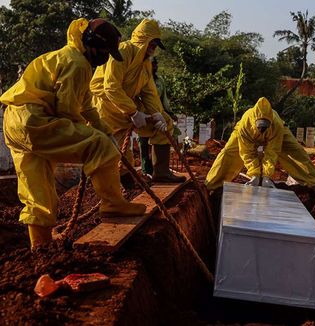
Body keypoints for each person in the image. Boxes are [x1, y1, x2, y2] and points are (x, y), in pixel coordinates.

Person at [0, 19, 147, 249]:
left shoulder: (71, 59)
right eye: (106, 52)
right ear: (92, 45)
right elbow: (67, 111)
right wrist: (99, 138)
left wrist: (105, 130)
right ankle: (113, 204)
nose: (106, 59)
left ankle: (41, 246)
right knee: (100, 146)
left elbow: (87, 106)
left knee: (37, 188)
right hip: (37, 122)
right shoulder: (77, 64)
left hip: (16, 123)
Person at [90, 19, 185, 185]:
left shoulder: (146, 63)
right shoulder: (123, 51)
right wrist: (133, 112)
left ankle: (161, 172)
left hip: (128, 106)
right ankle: (123, 186)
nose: (153, 49)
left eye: (156, 45)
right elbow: (110, 88)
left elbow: (149, 91)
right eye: (152, 44)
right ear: (144, 40)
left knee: (165, 123)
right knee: (119, 154)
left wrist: (157, 113)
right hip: (107, 108)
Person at [205, 97, 315, 190]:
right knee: (228, 153)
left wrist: (266, 176)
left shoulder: (276, 125)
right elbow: (247, 152)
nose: (262, 130)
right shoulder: (245, 125)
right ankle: (212, 185)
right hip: (245, 135)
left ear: (270, 121)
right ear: (254, 121)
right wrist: (255, 174)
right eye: (260, 126)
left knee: (296, 152)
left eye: (265, 126)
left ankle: (313, 183)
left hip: (278, 132)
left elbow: (272, 151)